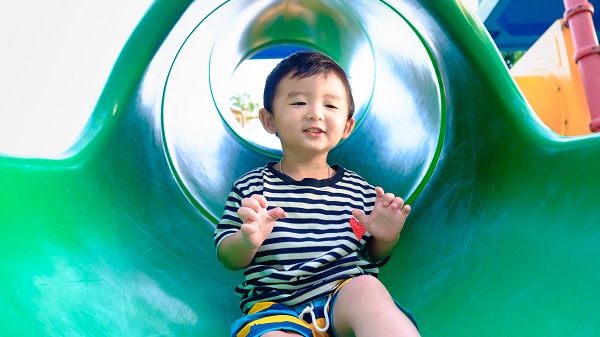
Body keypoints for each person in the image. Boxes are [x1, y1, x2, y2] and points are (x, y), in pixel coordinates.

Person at [214, 50, 420, 337]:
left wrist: (386, 237)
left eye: (331, 106)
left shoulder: (358, 190)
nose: (315, 113)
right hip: (274, 307)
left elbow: (372, 256)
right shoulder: (251, 189)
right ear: (269, 120)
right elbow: (227, 256)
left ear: (347, 126)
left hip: (343, 295)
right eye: (299, 102)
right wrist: (247, 240)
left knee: (369, 290)